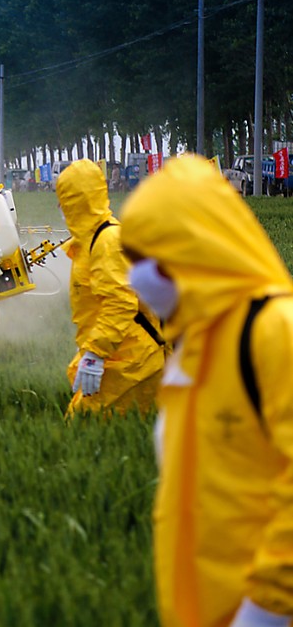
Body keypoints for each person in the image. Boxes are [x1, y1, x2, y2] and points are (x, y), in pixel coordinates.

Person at [120, 155, 293, 627]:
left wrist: (270, 608)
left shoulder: (275, 332)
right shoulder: (195, 346)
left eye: (146, 259)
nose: (137, 277)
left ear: (194, 249)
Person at [55, 159, 165, 416]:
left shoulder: (107, 241)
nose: (60, 207)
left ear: (76, 201)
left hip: (132, 362)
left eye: (64, 198)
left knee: (83, 430)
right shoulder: (89, 241)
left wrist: (95, 352)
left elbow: (120, 303)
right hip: (118, 355)